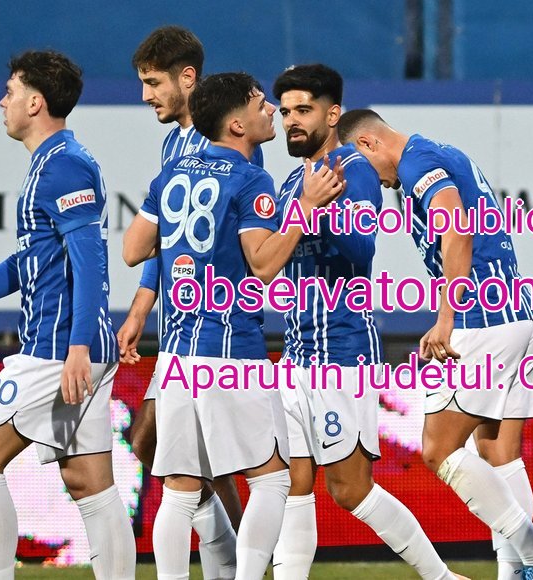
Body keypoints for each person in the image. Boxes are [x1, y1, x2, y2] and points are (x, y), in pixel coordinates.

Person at [122, 71, 342, 580]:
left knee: (179, 491)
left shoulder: (171, 174)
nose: (272, 111)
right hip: (231, 352)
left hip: (176, 354)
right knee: (273, 480)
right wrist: (305, 208)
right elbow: (263, 265)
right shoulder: (250, 178)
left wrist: (186, 252)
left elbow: (133, 250)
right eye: (262, 104)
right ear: (237, 124)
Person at [338, 109, 533, 580]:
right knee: (498, 453)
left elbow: (457, 228)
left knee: (438, 449)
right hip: (519, 315)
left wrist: (446, 317)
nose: (374, 182)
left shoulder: (417, 164)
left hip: (481, 318)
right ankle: (517, 572)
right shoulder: (443, 152)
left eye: (363, 167)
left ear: (368, 144)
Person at [266, 63, 467, 580]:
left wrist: (315, 210)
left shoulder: (353, 169)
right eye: (285, 111)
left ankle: (442, 577)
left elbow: (360, 249)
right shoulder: (292, 181)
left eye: (304, 110)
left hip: (341, 352)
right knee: (292, 485)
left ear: (333, 114)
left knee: (350, 489)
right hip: (295, 352)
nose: (292, 121)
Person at [0, 50, 135, 580]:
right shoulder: (53, 163)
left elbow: (90, 261)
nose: (3, 101)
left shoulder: (63, 166)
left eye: (11, 91)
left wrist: (76, 346)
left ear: (35, 102)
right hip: (76, 346)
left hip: (56, 350)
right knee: (89, 482)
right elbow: (28, 264)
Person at [120, 25, 241, 578]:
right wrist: (141, 308)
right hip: (178, 327)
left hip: (217, 329)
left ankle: (240, 562)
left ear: (187, 78)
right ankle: (235, 562)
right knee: (172, 455)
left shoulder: (225, 139)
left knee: (193, 460)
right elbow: (168, 238)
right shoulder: (173, 144)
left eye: (153, 83)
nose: (146, 96)